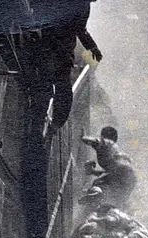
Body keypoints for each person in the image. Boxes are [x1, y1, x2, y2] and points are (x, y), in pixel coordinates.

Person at [41, 0, 103, 138]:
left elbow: (80, 29)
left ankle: (52, 123)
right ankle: (53, 124)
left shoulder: (82, 5)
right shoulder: (81, 5)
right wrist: (92, 47)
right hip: (54, 48)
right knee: (60, 88)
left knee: (56, 87)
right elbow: (80, 29)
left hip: (50, 46)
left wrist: (92, 47)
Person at [79, 126, 138, 208]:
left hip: (121, 170)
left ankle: (97, 193)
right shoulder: (116, 149)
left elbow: (94, 141)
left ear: (103, 136)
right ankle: (99, 198)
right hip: (131, 177)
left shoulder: (107, 143)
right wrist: (93, 172)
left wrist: (83, 137)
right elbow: (111, 173)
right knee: (113, 197)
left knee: (97, 183)